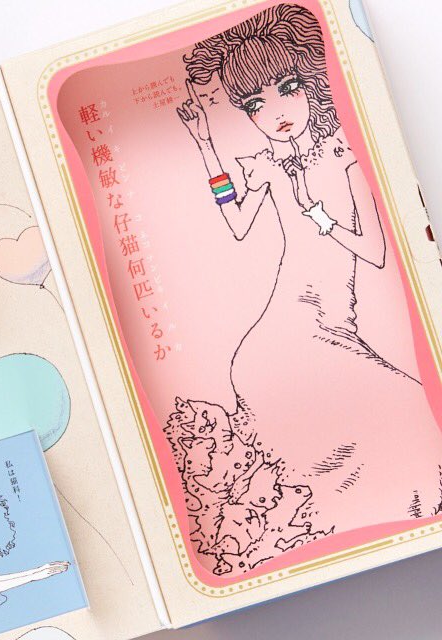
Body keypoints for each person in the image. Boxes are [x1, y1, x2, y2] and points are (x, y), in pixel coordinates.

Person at [174, 2, 442, 544]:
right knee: (404, 413)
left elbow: (375, 251)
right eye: (255, 104)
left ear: (309, 82)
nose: (274, 112)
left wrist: (322, 218)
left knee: (405, 419)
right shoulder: (265, 164)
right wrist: (206, 145)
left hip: (331, 332)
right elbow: (238, 223)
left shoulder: (345, 155)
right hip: (279, 342)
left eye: (287, 88)